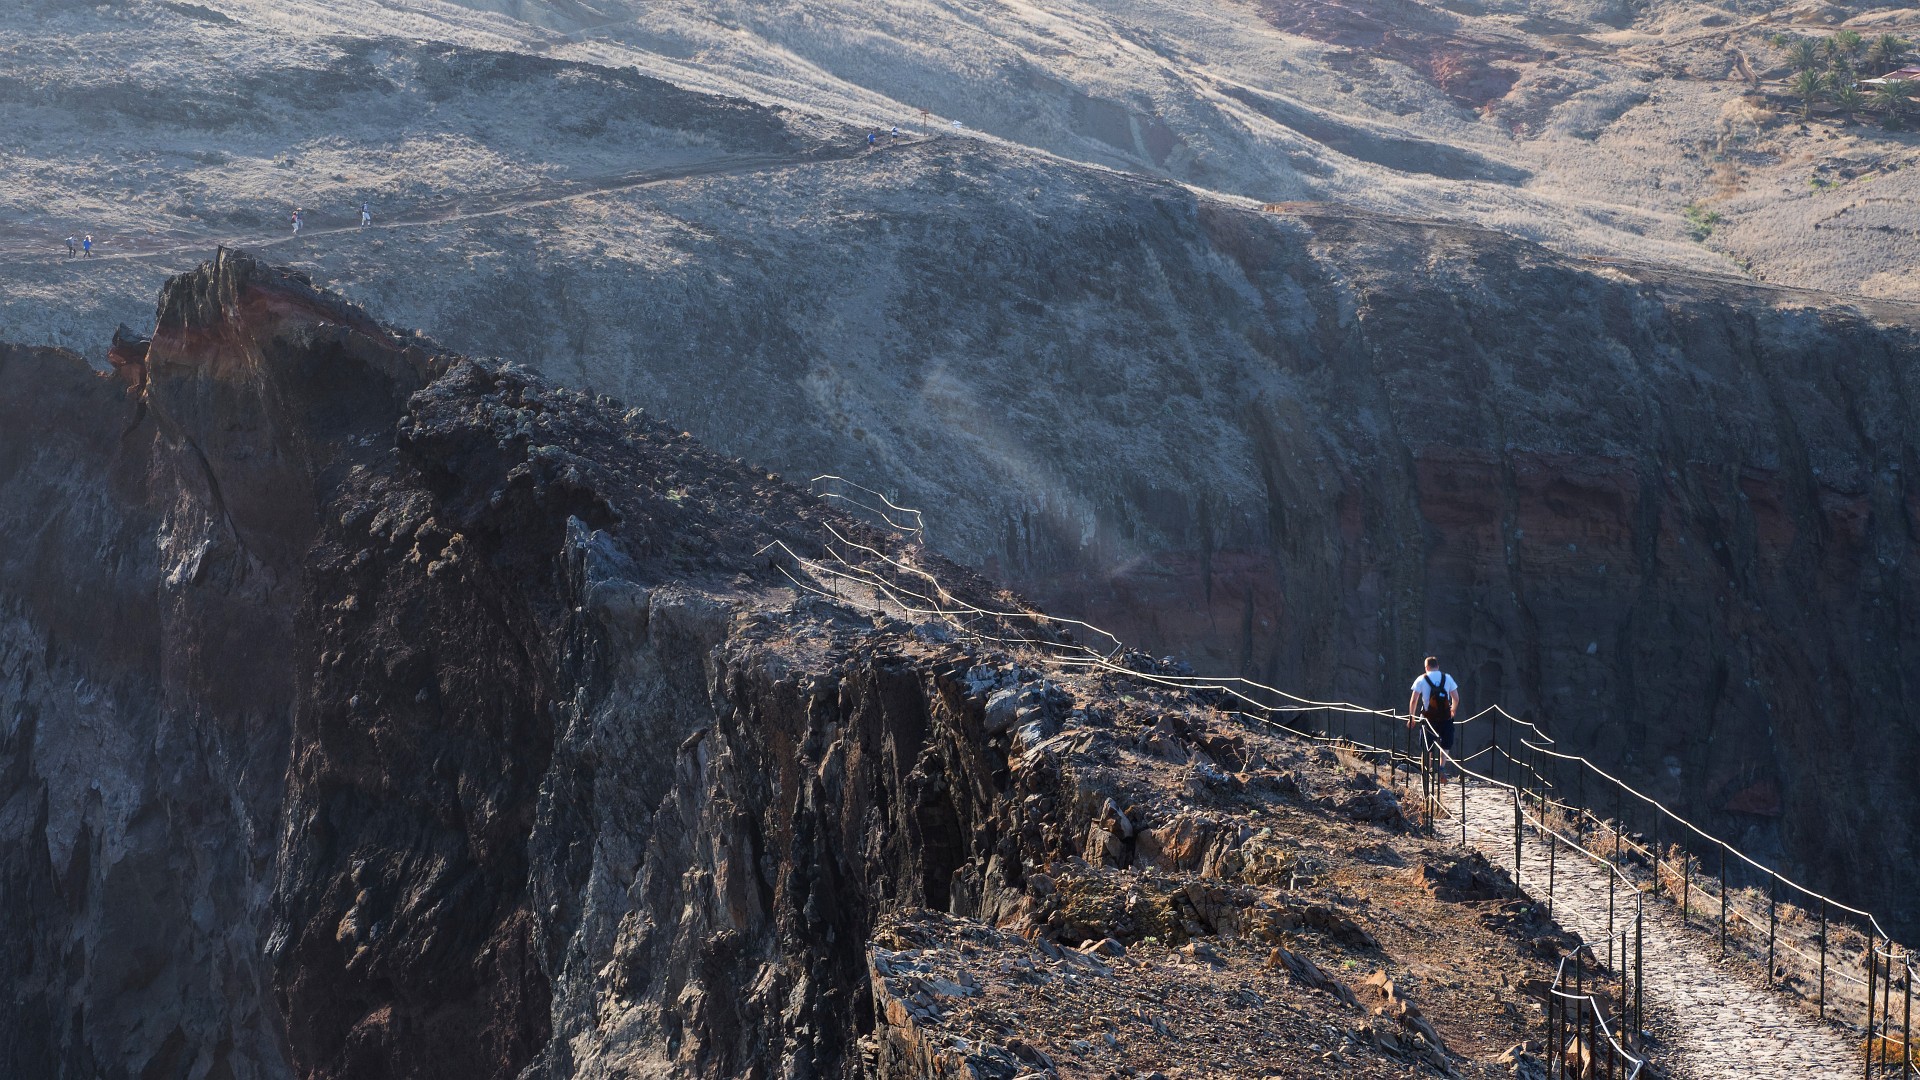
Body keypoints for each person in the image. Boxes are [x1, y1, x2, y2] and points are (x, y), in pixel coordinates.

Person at [1407, 656, 1459, 765]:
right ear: (1438, 666)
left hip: (1428, 719)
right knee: (1445, 744)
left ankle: (1426, 774)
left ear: (1426, 667)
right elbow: (1456, 698)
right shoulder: (1447, 678)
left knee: (1427, 748)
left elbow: (1413, 700)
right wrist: (1452, 710)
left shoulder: (1421, 679)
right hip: (1445, 718)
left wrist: (1411, 717)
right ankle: (1442, 767)